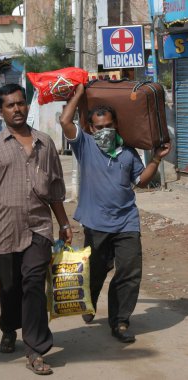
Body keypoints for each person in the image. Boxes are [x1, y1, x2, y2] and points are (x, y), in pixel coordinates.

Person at [0, 83, 72, 375]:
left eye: (21, 103)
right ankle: (8, 328)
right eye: (10, 105)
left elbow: (55, 190)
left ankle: (36, 349)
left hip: (38, 228)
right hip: (3, 230)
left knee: (33, 285)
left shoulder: (46, 143)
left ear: (27, 106)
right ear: (0, 111)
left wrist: (64, 222)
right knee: (10, 288)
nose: (17, 109)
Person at [59, 83, 171, 343]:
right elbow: (65, 120)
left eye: (109, 126)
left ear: (116, 126)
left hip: (126, 222)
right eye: (99, 127)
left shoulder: (128, 152)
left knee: (129, 272)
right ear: (90, 128)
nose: (104, 131)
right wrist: (78, 94)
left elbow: (141, 181)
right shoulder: (84, 145)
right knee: (96, 271)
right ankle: (90, 300)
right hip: (96, 223)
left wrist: (156, 159)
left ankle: (120, 321)